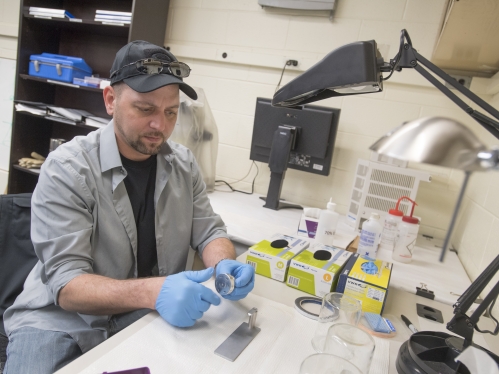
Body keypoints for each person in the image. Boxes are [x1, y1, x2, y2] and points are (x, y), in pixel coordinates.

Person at [3, 40, 255, 374]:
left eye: (170, 112)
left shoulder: (183, 164)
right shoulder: (68, 168)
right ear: (111, 100)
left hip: (143, 311)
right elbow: (68, 286)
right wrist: (156, 292)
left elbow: (209, 231)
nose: (160, 126)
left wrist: (223, 265)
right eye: (145, 109)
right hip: (58, 319)